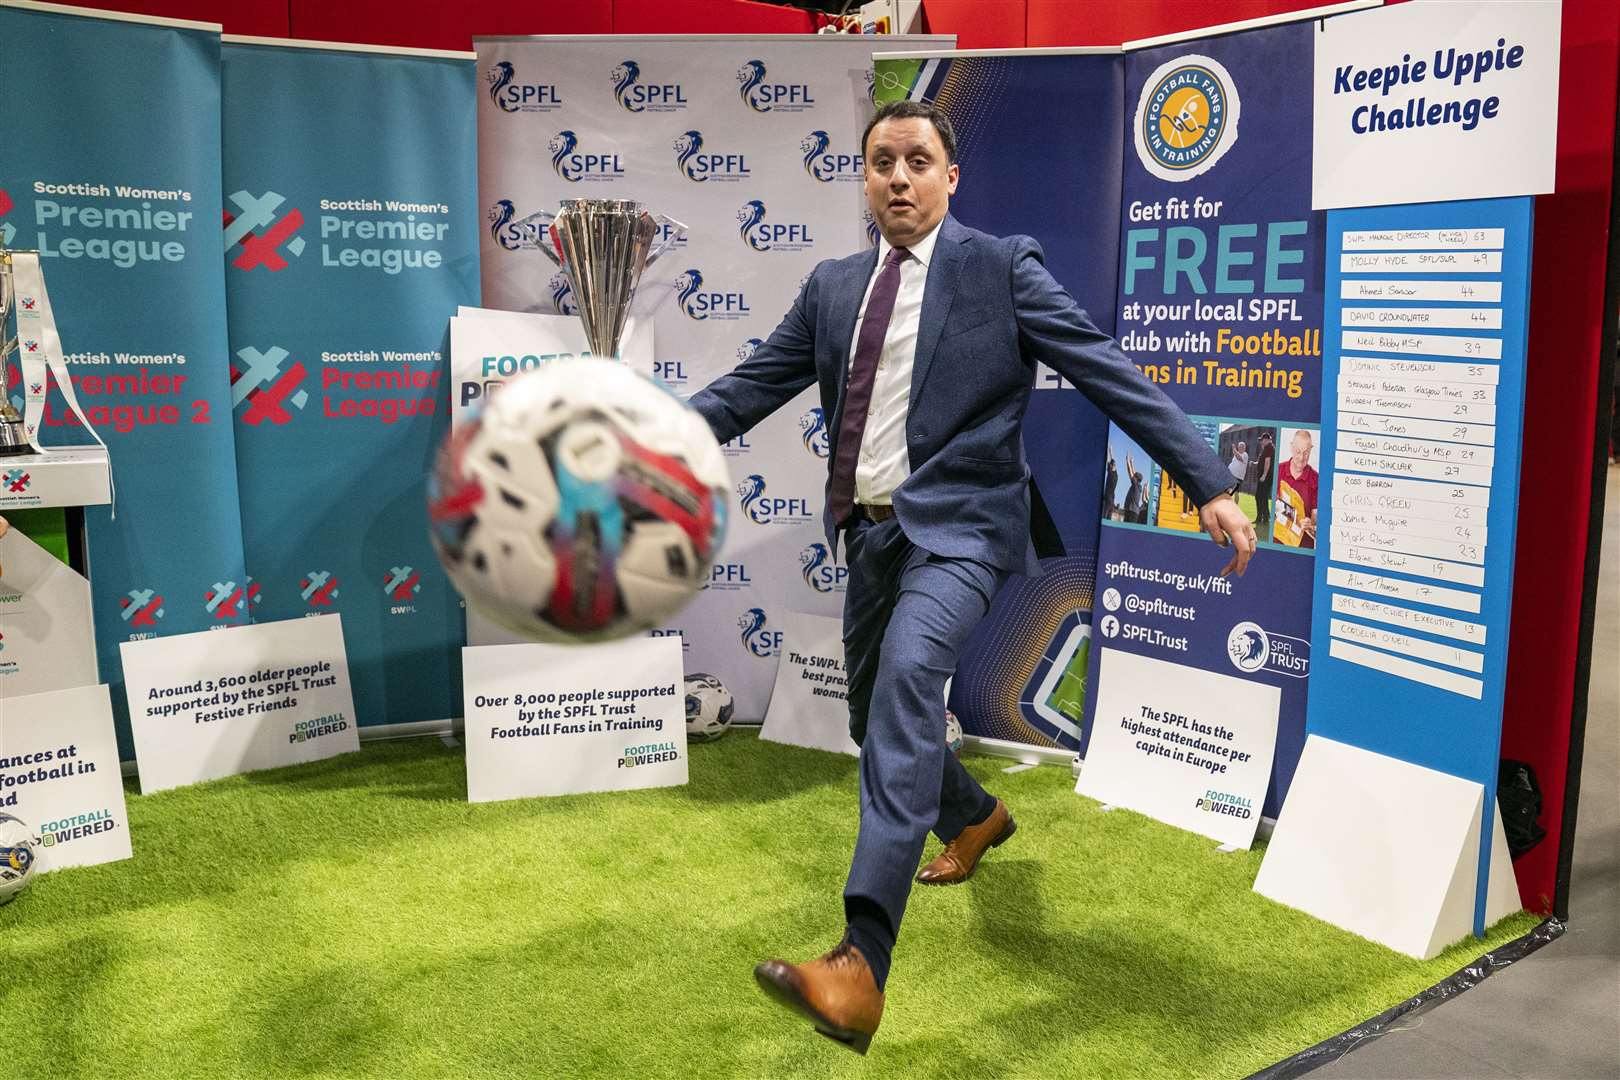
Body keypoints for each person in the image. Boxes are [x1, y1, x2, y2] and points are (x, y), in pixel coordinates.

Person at [687, 99, 1254, 1054]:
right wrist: (649, 435)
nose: (899, 178)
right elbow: (749, 389)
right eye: (880, 162)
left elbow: (1105, 369)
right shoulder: (830, 286)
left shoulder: (999, 267)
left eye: (918, 160)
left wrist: (1206, 478)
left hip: (965, 534)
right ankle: (978, 814)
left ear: (952, 177)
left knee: (910, 681)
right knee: (873, 720)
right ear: (862, 178)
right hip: (870, 539)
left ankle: (862, 958)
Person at [1278, 429, 1318, 548]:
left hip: (1302, 547)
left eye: (1306, 453)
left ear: (1311, 450)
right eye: (1298, 451)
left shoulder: (1316, 479)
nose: (1301, 457)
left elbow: (1315, 522)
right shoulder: (1278, 470)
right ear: (1291, 447)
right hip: (1278, 542)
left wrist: (1310, 525)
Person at [1255, 430, 1276, 531]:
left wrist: (1264, 475)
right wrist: (1255, 464)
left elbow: (1267, 462)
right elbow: (1263, 461)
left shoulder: (1269, 448)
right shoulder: (1266, 448)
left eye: (1262, 440)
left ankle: (1263, 518)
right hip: (1264, 477)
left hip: (1266, 478)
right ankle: (1262, 517)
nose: (1261, 442)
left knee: (1260, 497)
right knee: (1261, 497)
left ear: (1267, 440)